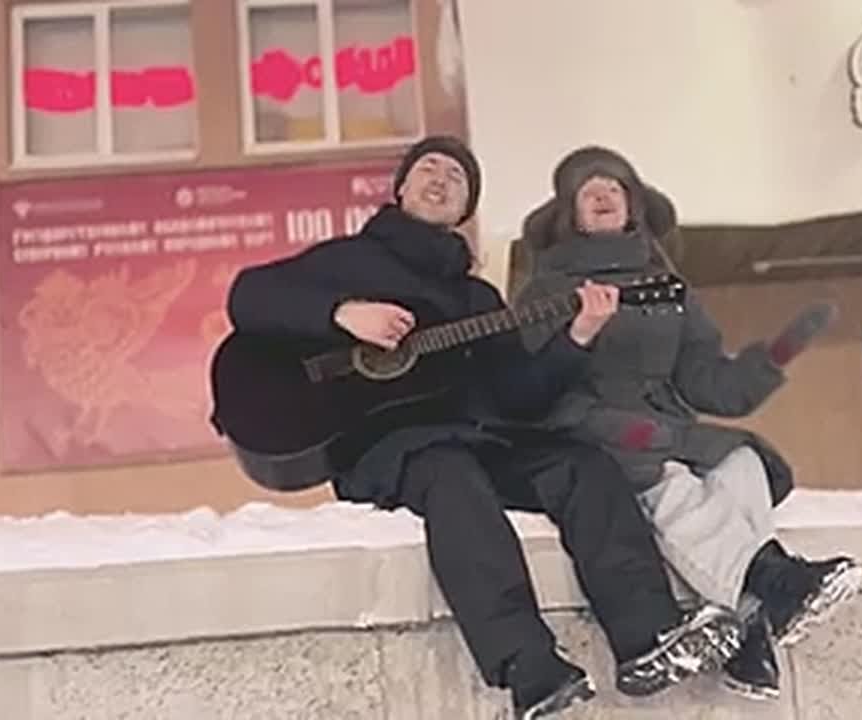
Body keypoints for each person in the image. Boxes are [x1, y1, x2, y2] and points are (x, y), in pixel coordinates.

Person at [220, 136, 742, 720]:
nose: (441, 179)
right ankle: (529, 667)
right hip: (385, 446)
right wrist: (342, 313)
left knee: (582, 466)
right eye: (429, 168)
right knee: (453, 477)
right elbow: (249, 295)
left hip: (475, 438)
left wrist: (578, 337)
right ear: (401, 188)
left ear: (465, 209)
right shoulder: (347, 261)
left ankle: (648, 635)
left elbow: (518, 396)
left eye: (458, 178)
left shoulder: (477, 298)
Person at [514, 146, 862, 702]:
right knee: (670, 481)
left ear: (633, 206)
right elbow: (534, 388)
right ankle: (773, 584)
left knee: (741, 461)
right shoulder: (545, 290)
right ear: (571, 214)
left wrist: (773, 357)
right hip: (593, 431)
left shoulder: (669, 289)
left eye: (614, 188)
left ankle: (753, 621)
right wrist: (608, 401)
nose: (603, 196)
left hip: (668, 426)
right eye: (589, 191)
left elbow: (708, 384)